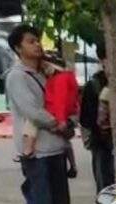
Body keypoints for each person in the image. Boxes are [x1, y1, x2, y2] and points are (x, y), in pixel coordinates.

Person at [5, 24, 72, 204]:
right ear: (18, 48)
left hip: (56, 149)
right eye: (30, 41)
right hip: (37, 153)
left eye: (37, 40)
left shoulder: (47, 73)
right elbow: (31, 111)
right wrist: (57, 123)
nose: (37, 45)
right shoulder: (17, 77)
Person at [21, 51, 79, 181]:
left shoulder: (59, 79)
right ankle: (73, 165)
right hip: (66, 114)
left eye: (45, 66)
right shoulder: (69, 77)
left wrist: (61, 120)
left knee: (32, 123)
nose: (43, 70)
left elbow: (60, 100)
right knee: (65, 141)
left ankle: (27, 152)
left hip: (55, 113)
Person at [79, 42, 113, 193]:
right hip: (102, 147)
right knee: (106, 189)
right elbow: (85, 119)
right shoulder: (93, 86)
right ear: (102, 60)